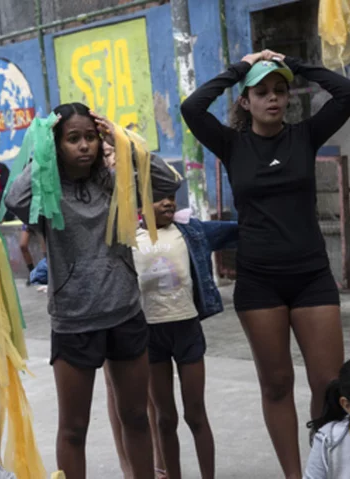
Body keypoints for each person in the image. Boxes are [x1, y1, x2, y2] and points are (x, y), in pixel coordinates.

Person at [180, 49, 350, 478]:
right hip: (259, 282)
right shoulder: (231, 144)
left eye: (280, 91)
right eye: (261, 92)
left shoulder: (305, 135)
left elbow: (348, 91)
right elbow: (192, 107)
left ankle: (327, 468)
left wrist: (295, 64)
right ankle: (295, 475)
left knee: (330, 385)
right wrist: (241, 68)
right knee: (277, 384)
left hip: (311, 276)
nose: (273, 98)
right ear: (245, 101)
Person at [5, 102, 181, 479]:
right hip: (74, 321)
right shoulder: (46, 193)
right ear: (57, 146)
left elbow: (168, 183)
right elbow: (13, 200)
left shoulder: (115, 182)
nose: (85, 146)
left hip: (125, 314)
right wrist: (43, 150)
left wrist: (125, 141)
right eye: (73, 139)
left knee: (135, 416)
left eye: (90, 137)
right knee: (74, 428)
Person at [106, 189, 238, 479]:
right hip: (150, 336)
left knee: (195, 414)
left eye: (171, 197)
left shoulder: (190, 231)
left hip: (187, 330)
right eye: (158, 197)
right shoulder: (126, 239)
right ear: (140, 205)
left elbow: (237, 232)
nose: (168, 202)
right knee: (165, 418)